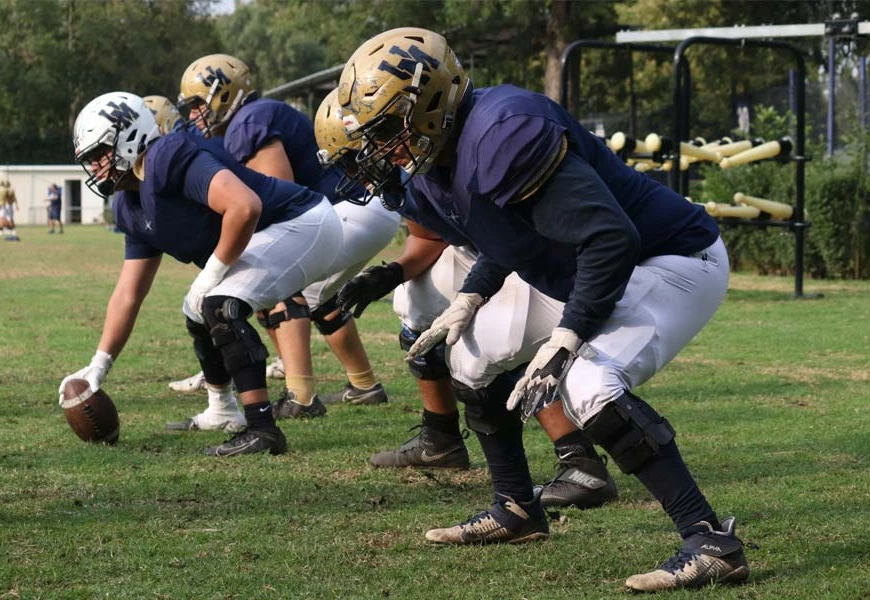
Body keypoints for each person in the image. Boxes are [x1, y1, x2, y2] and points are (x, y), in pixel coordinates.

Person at [331, 27, 749, 592]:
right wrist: (470, 299)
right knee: (470, 359)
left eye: (387, 129)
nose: (385, 151)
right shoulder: (434, 167)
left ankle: (709, 540)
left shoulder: (504, 130)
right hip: (587, 266)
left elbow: (610, 239)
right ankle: (517, 509)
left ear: (429, 101)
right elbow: (510, 238)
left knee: (588, 384)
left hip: (672, 258)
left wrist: (568, 338)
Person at [317, 90, 618, 511]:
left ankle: (579, 458)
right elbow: (429, 238)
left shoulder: (439, 149)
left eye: (358, 156)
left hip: (522, 249)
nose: (358, 171)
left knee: (500, 340)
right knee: (415, 300)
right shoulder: (407, 170)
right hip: (482, 251)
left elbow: (512, 228)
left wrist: (479, 290)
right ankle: (440, 436)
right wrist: (389, 274)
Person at [59, 91, 342, 456]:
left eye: (100, 154)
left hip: (304, 222)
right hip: (273, 232)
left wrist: (214, 272)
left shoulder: (166, 156)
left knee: (218, 303)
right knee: (196, 311)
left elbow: (244, 206)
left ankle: (262, 428)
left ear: (130, 135)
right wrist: (99, 365)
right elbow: (128, 294)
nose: (96, 167)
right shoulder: (129, 205)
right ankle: (223, 409)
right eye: (90, 159)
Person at [169, 54, 399, 419]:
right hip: (365, 209)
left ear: (222, 93)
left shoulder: (249, 120)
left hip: (348, 210)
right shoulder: (255, 115)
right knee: (322, 298)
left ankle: (301, 397)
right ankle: (364, 385)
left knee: (276, 278)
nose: (195, 114)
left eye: (198, 104)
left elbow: (281, 199)